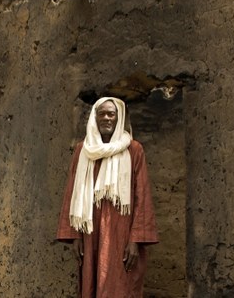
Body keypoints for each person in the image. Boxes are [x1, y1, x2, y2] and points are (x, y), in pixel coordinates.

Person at [56, 97, 158, 297]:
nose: (106, 118)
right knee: (91, 284)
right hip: (90, 233)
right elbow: (72, 193)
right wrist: (75, 236)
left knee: (122, 285)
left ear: (118, 118)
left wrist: (135, 240)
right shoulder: (82, 151)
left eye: (111, 114)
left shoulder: (134, 150)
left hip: (122, 233)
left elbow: (142, 196)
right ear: (95, 117)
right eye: (101, 113)